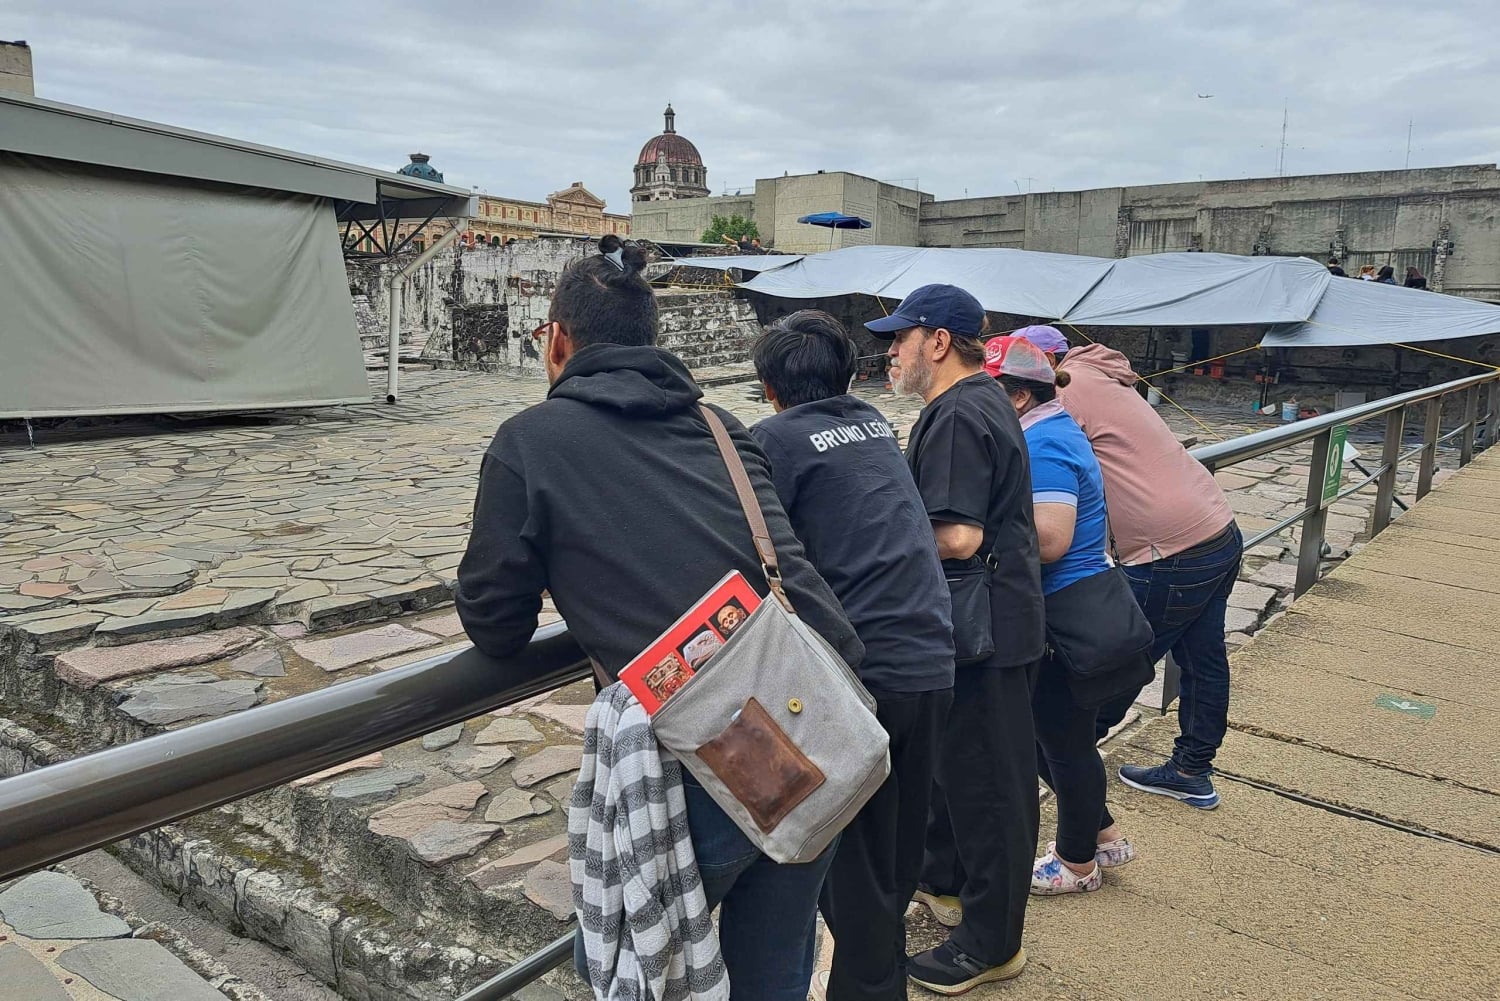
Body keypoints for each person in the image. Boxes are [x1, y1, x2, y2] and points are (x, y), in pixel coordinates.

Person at [456, 236, 864, 1001]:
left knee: (631, 963)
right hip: (815, 724)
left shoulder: (528, 443)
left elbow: (495, 623)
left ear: (557, 340)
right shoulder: (722, 427)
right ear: (653, 338)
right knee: (774, 973)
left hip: (710, 755)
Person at [749, 310, 956, 1001]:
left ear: (770, 387)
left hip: (865, 675)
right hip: (931, 656)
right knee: (893, 861)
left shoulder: (772, 440)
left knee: (852, 873)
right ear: (846, 375)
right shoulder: (872, 423)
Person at [867, 285, 1045, 994]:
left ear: (937, 341)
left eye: (900, 337)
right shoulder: (981, 401)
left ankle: (991, 943)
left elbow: (958, 535)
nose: (891, 352)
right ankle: (946, 881)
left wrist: (875, 547)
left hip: (984, 629)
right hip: (995, 619)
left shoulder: (956, 415)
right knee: (961, 772)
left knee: (989, 787)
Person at [1016, 327, 1243, 811]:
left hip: (1169, 550)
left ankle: (1074, 787)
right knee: (1203, 659)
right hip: (1215, 525)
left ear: (1047, 363)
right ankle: (1191, 769)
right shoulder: (1101, 374)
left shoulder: (1066, 388)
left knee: (1107, 671)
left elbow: (1027, 448)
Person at [992, 338, 1140, 896]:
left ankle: (1076, 864)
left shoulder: (1045, 443)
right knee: (1051, 736)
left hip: (1064, 613)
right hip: (1077, 603)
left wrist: (979, 531)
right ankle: (1103, 834)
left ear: (1020, 397)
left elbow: (1051, 539)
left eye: (989, 392)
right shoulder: (1053, 427)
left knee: (1063, 742)